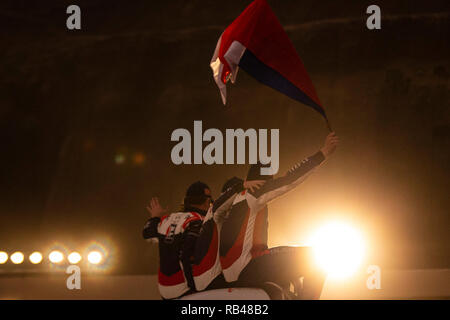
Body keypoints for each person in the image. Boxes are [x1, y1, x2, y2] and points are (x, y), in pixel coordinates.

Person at [218, 132, 339, 299]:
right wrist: (323, 153)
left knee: (289, 265)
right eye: (271, 179)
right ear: (266, 179)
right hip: (247, 267)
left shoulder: (238, 198)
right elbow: (290, 179)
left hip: (232, 271)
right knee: (316, 258)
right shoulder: (256, 192)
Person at [142, 181, 212, 299]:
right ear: (206, 201)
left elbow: (147, 234)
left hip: (164, 288)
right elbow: (186, 255)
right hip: (185, 289)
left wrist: (155, 217)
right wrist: (194, 287)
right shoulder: (199, 220)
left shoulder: (167, 219)